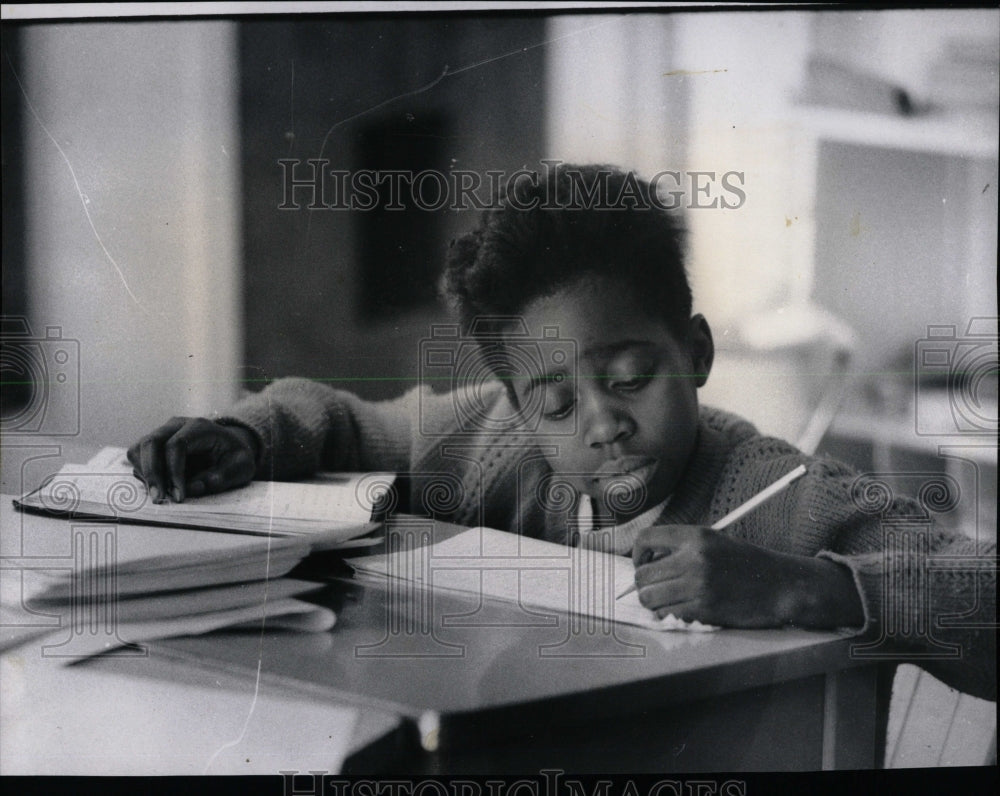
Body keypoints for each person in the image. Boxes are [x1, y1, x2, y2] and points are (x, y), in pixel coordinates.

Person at [129, 164, 995, 701]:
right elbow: (346, 422)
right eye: (555, 404)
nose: (604, 424)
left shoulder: (784, 495)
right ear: (515, 402)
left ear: (694, 350)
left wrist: (806, 588)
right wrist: (246, 434)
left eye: (628, 378)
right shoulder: (491, 444)